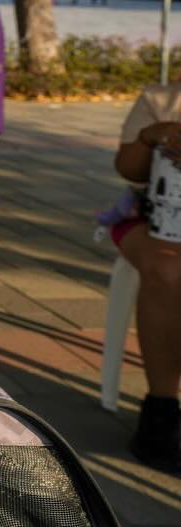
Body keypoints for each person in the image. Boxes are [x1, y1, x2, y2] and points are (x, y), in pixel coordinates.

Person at [112, 86, 181, 471]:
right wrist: (149, 137)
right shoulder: (161, 101)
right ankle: (161, 409)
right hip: (151, 220)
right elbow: (127, 169)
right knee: (167, 267)